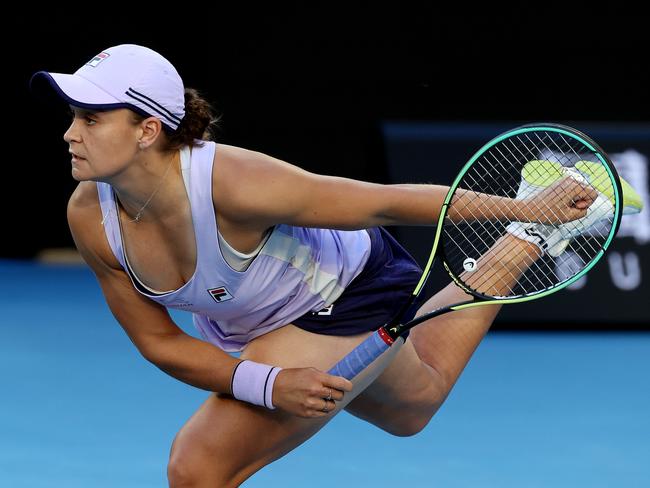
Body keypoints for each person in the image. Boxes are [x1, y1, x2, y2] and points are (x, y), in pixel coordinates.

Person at [31, 44, 599, 487]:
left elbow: (382, 202)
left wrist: (522, 201)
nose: (69, 133)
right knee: (413, 407)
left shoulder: (233, 184)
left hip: (344, 293)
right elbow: (158, 342)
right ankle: (527, 239)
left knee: (198, 468)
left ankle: (531, 215)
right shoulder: (90, 215)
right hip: (254, 323)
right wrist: (268, 383)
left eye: (90, 118)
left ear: (147, 130)